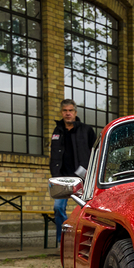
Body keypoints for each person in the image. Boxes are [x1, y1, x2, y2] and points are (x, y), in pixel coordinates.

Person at [50, 99, 96, 242]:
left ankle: (84, 240)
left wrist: (90, 171)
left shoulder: (86, 130)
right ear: (61, 112)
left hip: (82, 178)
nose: (67, 113)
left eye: (70, 110)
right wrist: (54, 171)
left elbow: (95, 152)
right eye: (65, 110)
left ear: (75, 112)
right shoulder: (57, 131)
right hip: (62, 179)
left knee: (85, 211)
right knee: (58, 209)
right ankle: (63, 240)